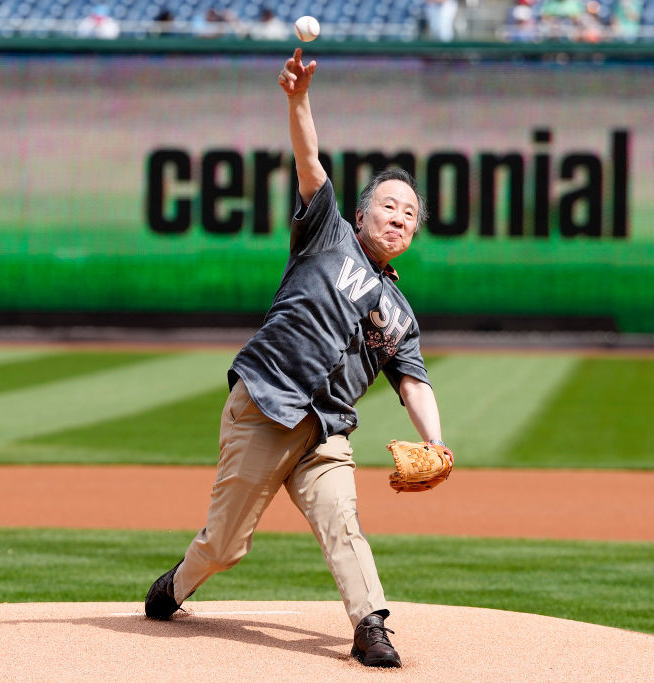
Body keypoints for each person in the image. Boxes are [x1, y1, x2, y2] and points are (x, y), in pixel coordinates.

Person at [143, 48, 453, 670]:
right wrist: (298, 99)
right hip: (267, 404)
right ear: (361, 214)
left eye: (410, 215)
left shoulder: (401, 315)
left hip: (325, 430)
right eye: (389, 205)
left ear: (413, 235)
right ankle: (178, 584)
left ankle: (371, 627)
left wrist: (439, 445)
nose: (398, 216)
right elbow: (309, 160)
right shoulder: (327, 233)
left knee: (344, 525)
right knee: (226, 545)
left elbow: (414, 384)